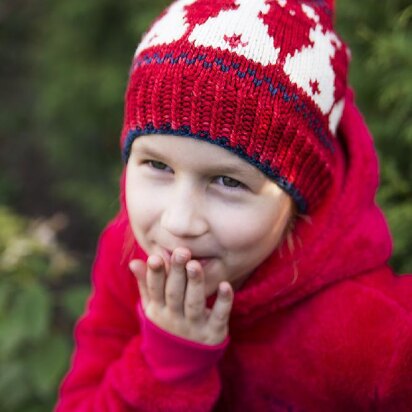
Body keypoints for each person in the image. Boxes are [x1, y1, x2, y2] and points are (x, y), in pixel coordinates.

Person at [56, 0, 412, 410]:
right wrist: (167, 366)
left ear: (299, 198)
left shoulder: (375, 336)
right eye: (157, 164)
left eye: (227, 181)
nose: (179, 221)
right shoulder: (130, 262)